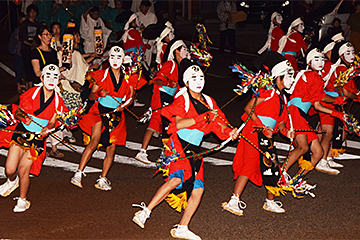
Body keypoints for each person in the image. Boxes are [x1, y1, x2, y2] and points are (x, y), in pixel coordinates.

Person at [132, 59, 239, 240]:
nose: (198, 81)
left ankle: (182, 227)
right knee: (174, 180)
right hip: (178, 145)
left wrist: (231, 132)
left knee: (198, 190)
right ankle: (145, 212)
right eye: (194, 78)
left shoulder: (210, 101)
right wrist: (203, 117)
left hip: (195, 150)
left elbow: (219, 124)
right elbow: (177, 123)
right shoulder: (183, 99)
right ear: (187, 82)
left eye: (201, 77)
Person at [222, 52, 295, 216]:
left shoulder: (283, 98)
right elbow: (248, 109)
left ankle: (269, 201)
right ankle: (233, 200)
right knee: (248, 165)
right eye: (288, 75)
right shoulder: (267, 92)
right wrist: (262, 127)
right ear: (278, 77)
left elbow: (281, 122)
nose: (291, 79)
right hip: (254, 131)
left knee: (273, 168)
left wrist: (286, 132)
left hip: (266, 135)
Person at [0, 64, 67, 212]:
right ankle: (12, 181)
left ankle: (22, 200)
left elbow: (53, 121)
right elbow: (18, 112)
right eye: (47, 76)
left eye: (55, 77)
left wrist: (47, 129)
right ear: (42, 78)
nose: (51, 80)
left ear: (58, 80)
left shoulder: (58, 101)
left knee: (24, 170)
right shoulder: (32, 92)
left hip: (37, 140)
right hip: (21, 133)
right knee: (10, 169)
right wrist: (25, 117)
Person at [70, 46, 133, 191]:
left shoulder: (127, 78)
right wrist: (99, 94)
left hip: (116, 115)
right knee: (94, 141)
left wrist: (123, 105)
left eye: (118, 58)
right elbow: (91, 96)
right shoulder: (102, 75)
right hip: (99, 112)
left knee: (111, 148)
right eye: (112, 57)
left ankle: (102, 178)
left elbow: (131, 97)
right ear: (108, 59)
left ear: (123, 60)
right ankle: (78, 173)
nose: (115, 60)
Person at [135, 39, 189, 164]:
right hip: (160, 97)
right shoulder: (170, 64)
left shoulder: (181, 67)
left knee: (167, 126)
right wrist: (170, 83)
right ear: (176, 51)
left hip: (169, 99)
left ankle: (163, 153)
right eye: (184, 49)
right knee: (155, 123)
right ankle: (142, 151)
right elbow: (157, 80)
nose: (186, 51)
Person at [317, 41, 357, 174]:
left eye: (353, 52)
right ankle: (321, 160)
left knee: (332, 131)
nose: (351, 55)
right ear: (341, 55)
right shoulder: (341, 69)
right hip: (329, 102)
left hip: (334, 102)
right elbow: (345, 91)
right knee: (328, 133)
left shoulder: (343, 68)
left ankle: (327, 157)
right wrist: (356, 96)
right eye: (348, 53)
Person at [19, 4, 40, 90]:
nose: (33, 13)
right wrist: (31, 45)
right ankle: (29, 86)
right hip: (26, 49)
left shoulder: (38, 24)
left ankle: (32, 87)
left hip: (35, 49)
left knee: (34, 68)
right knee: (27, 67)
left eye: (34, 12)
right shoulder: (25, 24)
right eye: (31, 11)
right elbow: (22, 38)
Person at [136, 0, 158, 69]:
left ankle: (147, 68)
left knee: (148, 52)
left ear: (147, 8)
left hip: (149, 39)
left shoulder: (152, 16)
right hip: (139, 38)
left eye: (143, 7)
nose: (141, 8)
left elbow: (154, 29)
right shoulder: (137, 15)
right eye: (140, 6)